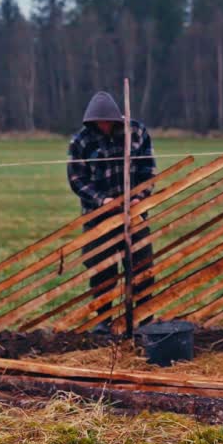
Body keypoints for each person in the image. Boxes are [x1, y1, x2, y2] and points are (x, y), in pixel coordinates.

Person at [67, 90, 156, 330]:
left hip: (134, 213)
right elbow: (77, 179)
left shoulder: (136, 132)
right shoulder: (80, 141)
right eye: (99, 122)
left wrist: (139, 196)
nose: (103, 126)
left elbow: (148, 169)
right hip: (98, 217)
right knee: (100, 268)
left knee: (141, 265)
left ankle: (143, 318)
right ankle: (103, 320)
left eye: (107, 121)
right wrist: (102, 201)